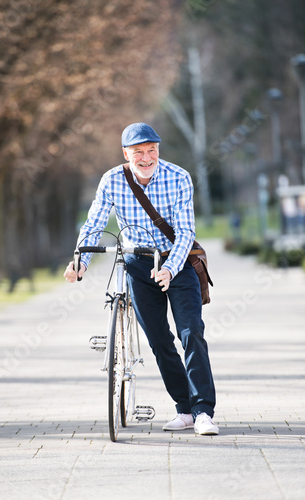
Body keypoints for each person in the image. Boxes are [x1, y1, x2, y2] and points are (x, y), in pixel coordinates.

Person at [64, 123, 219, 435]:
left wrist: (170, 268)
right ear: (126, 154)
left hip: (177, 262)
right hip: (137, 264)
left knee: (191, 332)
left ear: (158, 150)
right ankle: (185, 410)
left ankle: (203, 412)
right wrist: (80, 260)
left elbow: (186, 231)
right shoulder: (111, 180)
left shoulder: (178, 177)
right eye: (138, 153)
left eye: (151, 151)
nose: (146, 158)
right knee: (159, 341)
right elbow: (94, 224)